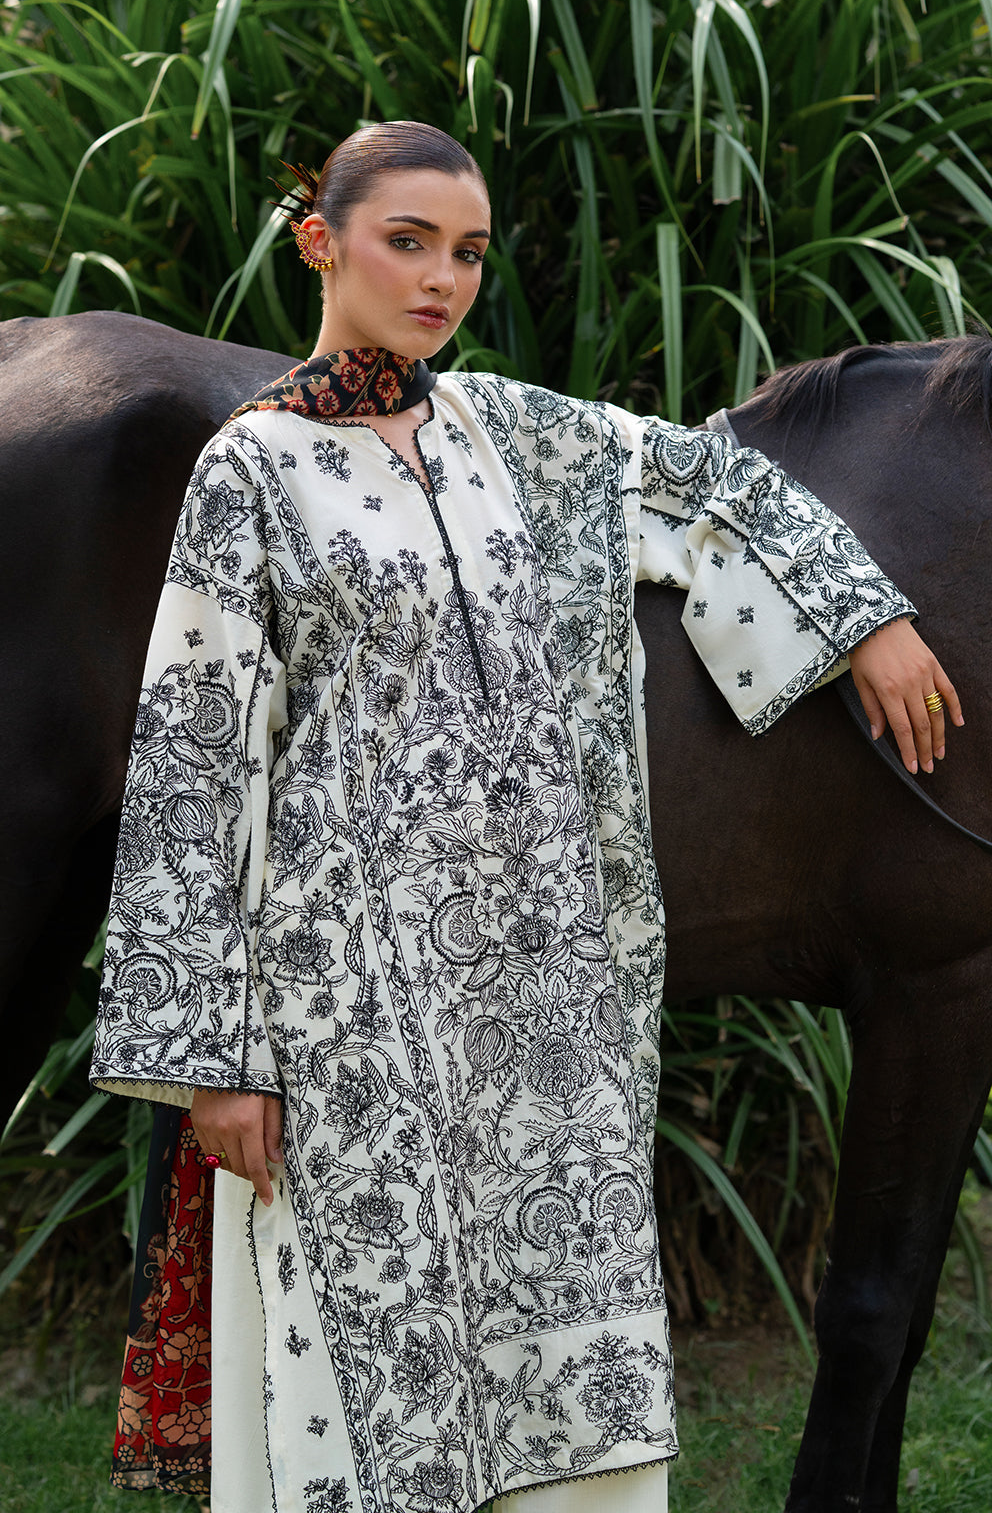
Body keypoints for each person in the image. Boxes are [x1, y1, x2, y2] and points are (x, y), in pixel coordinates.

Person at [91, 121, 961, 1513]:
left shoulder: (520, 435)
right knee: (376, 1380)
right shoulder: (248, 473)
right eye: (408, 241)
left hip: (546, 1000)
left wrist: (871, 622)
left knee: (570, 1385)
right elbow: (193, 760)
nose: (443, 279)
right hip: (349, 1011)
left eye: (469, 253)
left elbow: (712, 481)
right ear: (323, 243)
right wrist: (210, 1054)